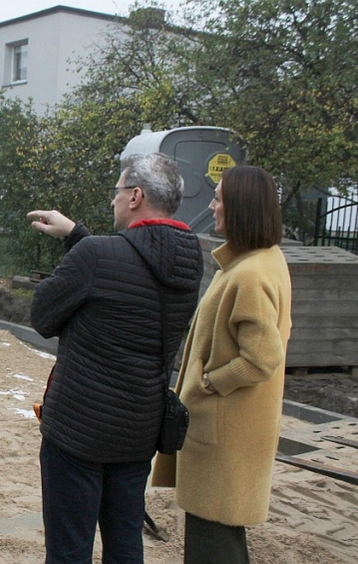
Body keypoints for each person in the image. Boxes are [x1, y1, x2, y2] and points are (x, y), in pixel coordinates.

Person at [27, 152, 203, 563]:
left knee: (69, 549)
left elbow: (42, 316)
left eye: (118, 191)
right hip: (138, 431)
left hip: (77, 433)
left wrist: (80, 247)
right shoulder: (189, 261)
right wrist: (78, 234)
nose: (114, 201)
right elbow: (133, 267)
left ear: (136, 196)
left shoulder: (97, 258)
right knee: (125, 544)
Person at [160, 165, 292, 564]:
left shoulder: (249, 274)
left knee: (212, 541)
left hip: (226, 434)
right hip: (234, 430)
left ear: (240, 208)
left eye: (219, 198)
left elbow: (262, 357)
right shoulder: (261, 261)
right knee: (221, 537)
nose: (213, 205)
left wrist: (209, 381)